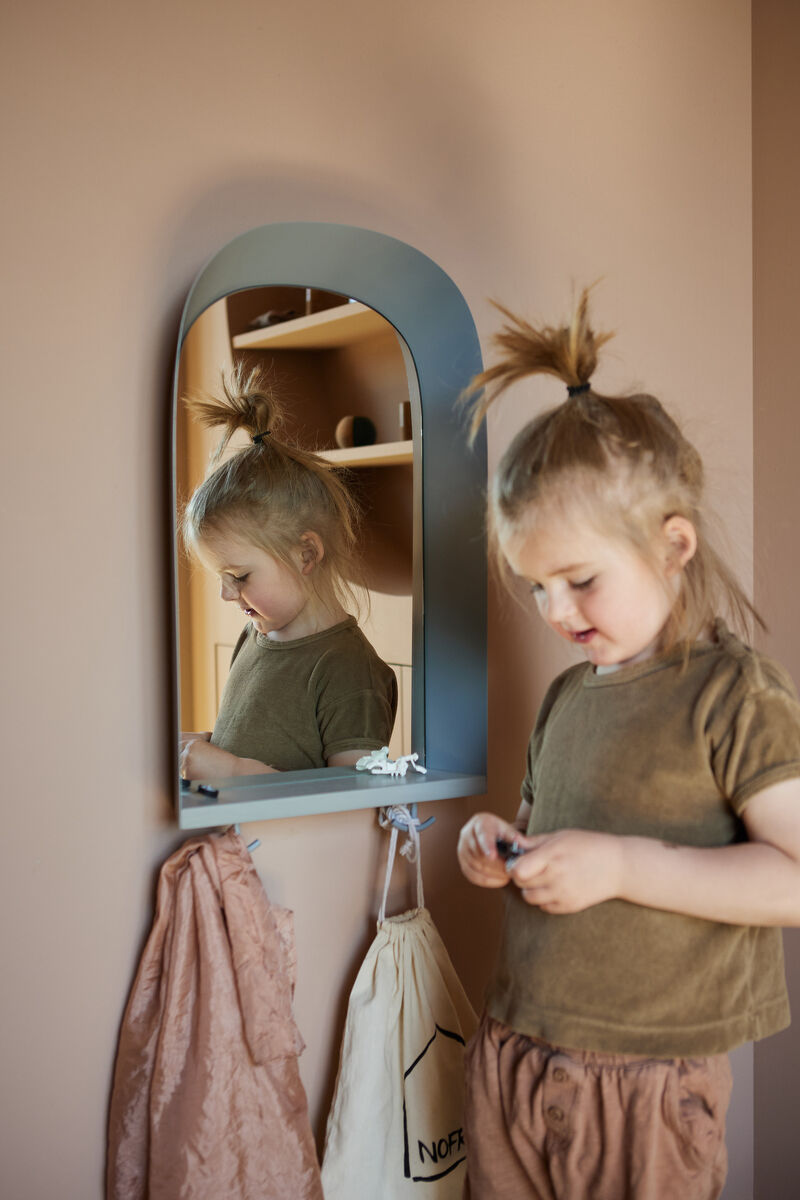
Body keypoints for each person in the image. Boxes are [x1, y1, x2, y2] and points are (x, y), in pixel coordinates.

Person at [456, 289, 800, 1199]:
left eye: (579, 580)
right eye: (536, 587)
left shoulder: (733, 697)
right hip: (516, 1054)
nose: (555, 612)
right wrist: (501, 848)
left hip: (645, 1087)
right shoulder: (569, 696)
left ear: (672, 544)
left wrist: (619, 866)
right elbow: (542, 822)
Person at [179, 365, 397, 780]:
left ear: (306, 555)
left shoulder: (348, 669)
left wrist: (231, 770)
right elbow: (271, 746)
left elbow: (352, 806)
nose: (227, 594)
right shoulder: (254, 637)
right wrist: (207, 745)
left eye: (239, 577)